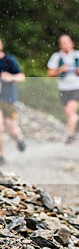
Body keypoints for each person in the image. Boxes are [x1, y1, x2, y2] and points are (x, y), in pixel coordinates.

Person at [46, 34, 79, 144]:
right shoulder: (57, 57)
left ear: (72, 43)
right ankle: (74, 129)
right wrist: (60, 70)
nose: (65, 45)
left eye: (66, 42)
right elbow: (49, 73)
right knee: (69, 113)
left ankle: (70, 135)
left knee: (69, 110)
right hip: (63, 87)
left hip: (77, 86)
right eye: (62, 43)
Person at [0, 37, 27, 165]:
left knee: (11, 128)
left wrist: (10, 77)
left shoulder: (9, 60)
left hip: (8, 98)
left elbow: (22, 77)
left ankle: (19, 138)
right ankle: (1, 155)